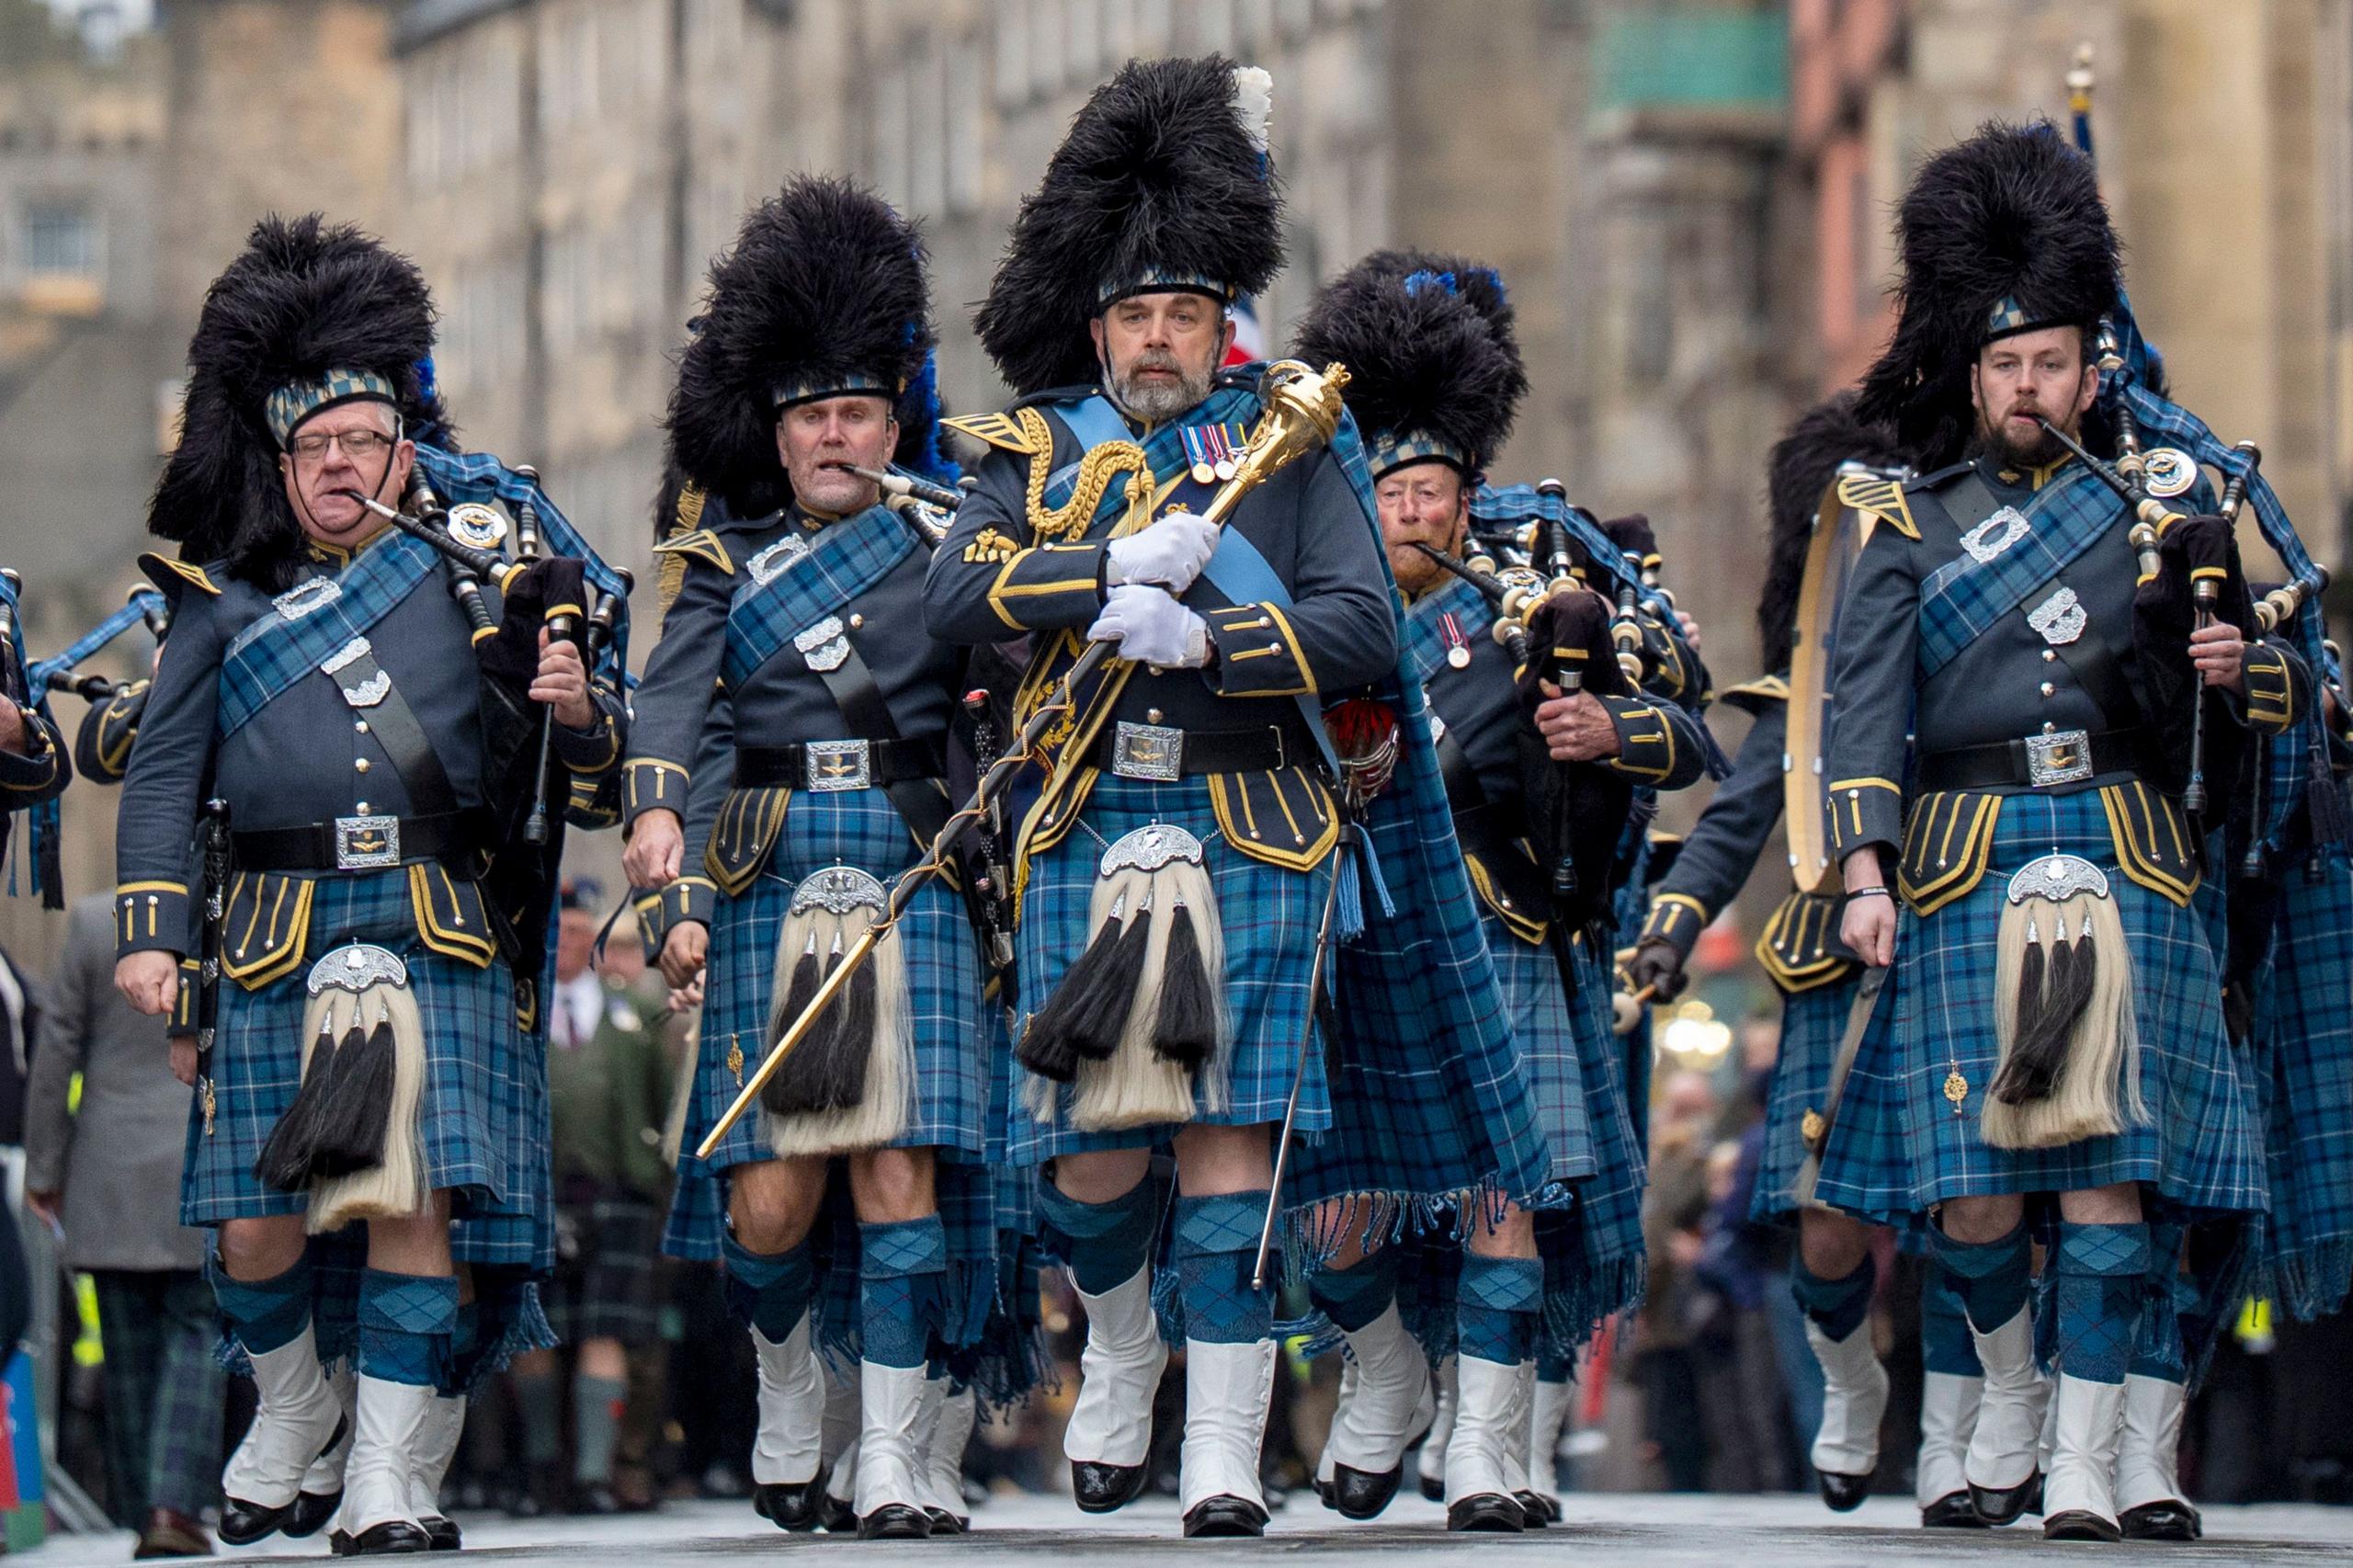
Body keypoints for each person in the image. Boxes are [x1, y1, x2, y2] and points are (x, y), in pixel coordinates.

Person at [925, 56, 1549, 1539]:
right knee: (1086, 1167)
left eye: (1186, 318)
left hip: (1255, 820)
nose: (1160, 341)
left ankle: (1218, 1449)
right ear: (1100, 327)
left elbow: (1363, 628)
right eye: (1138, 318)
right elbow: (956, 597)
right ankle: (1122, 1336)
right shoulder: (1035, 448)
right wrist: (1098, 582)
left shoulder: (1295, 441)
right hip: (1091, 821)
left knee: (1234, 1146)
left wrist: (1215, 634)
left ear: (1224, 326)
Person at [111, 215, 624, 1555]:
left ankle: (395, 1477)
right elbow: (164, 775)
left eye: (361, 443)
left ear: (408, 450)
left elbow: (571, 760)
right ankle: (291, 1410)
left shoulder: (473, 576)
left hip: (434, 917)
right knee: (251, 1223)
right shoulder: (220, 605)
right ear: (279, 467)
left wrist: (571, 703)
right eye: (313, 450)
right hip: (276, 932)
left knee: (414, 1202)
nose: (338, 468)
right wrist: (155, 933)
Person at [1815, 124, 2294, 1542]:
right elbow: (1861, 706)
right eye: (2007, 366)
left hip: (2125, 843)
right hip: (1965, 847)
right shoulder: (1903, 514)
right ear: (1973, 374)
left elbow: (2263, 684)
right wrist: (1863, 868)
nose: (2031, 388)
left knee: (2108, 1176)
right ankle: (2012, 1400)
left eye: (2054, 364)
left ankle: (2091, 1462)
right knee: (1972, 1193)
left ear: (2096, 370)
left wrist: (2225, 668)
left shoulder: (2159, 506)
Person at [1284, 250, 1714, 1531]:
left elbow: (1693, 738)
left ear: (1469, 495)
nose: (1414, 512)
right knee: (1337, 1209)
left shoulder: (1546, 583)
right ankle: (1388, 1372)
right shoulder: (1308, 590)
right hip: (1361, 937)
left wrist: (1611, 736)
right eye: (1393, 488)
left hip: (1509, 933)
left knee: (1501, 1198)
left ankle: (1482, 1438)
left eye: (1434, 490)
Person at [622, 176, 988, 1541]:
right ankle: (790, 1378)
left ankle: (891, 1450)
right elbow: (673, 698)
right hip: (774, 870)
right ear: (776, 438)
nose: (836, 438)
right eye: (812, 418)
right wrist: (661, 826)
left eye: (858, 415)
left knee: (898, 1169)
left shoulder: (950, 536)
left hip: (911, 869)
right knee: (772, 1201)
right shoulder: (722, 560)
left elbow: (1003, 680)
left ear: (897, 424)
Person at [1627, 392, 1989, 1527]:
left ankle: (1952, 1437)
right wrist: (1671, 925)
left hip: (1962, 944)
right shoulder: (1813, 696)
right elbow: (1735, 823)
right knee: (1829, 1230)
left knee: (1967, 1210)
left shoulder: (1979, 655)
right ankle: (1851, 1382)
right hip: (1842, 966)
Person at [28, 907, 224, 1557]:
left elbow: (56, 1050)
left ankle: (149, 1512)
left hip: (108, 1170)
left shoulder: (90, 924)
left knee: (126, 1345)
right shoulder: (221, 917)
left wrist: (44, 1167)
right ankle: (173, 1504)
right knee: (199, 1333)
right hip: (201, 1155)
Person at [508, 878, 674, 1516]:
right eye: (559, 932)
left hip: (620, 1191)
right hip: (538, 1195)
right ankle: (541, 1468)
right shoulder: (516, 1014)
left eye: (580, 932)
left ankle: (593, 1473)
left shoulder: (633, 1010)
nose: (570, 943)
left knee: (607, 1331)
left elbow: (662, 1103)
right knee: (536, 1335)